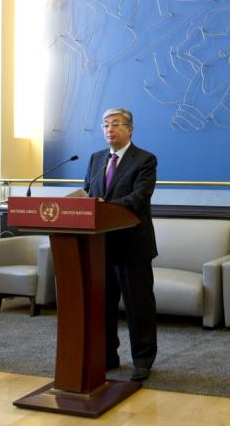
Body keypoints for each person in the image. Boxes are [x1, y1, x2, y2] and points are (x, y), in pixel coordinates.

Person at [83, 107, 158, 382]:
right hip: (100, 246)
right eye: (105, 125)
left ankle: (143, 360)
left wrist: (106, 207)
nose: (109, 130)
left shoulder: (145, 160)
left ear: (130, 129)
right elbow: (89, 193)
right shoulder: (96, 159)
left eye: (115, 124)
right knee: (103, 306)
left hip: (133, 246)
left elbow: (139, 198)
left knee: (139, 307)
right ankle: (108, 357)